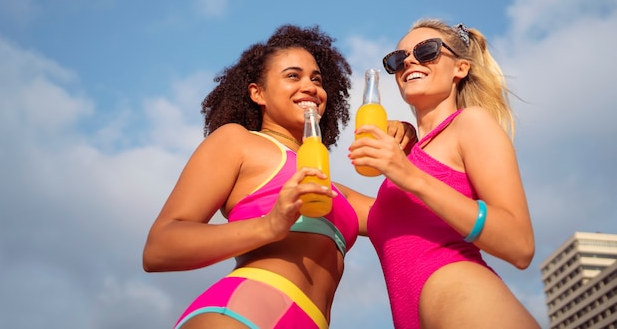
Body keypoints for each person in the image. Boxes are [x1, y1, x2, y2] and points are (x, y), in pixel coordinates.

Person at [142, 24, 415, 329]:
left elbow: (416, 215)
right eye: (293, 76)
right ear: (257, 93)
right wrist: (270, 225)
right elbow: (159, 248)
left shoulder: (331, 190)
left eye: (317, 79)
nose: (311, 87)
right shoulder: (237, 141)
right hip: (243, 313)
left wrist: (412, 146)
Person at [348, 19, 540, 328]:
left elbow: (520, 245)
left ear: (460, 68)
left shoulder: (470, 123)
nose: (409, 60)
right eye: (398, 59)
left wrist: (410, 175)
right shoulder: (405, 159)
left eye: (427, 51)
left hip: (465, 299)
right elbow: (351, 207)